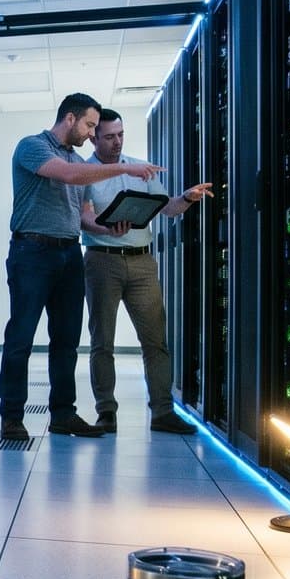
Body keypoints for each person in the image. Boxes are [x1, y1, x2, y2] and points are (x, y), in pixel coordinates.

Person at [0, 94, 160, 441]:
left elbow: (84, 216)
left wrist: (109, 226)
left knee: (67, 340)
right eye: (89, 125)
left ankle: (63, 414)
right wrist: (124, 167)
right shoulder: (32, 147)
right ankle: (12, 416)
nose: (91, 134)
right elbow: (68, 175)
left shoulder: (77, 161)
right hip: (31, 252)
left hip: (70, 253)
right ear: (69, 118)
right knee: (21, 337)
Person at [75, 109, 211, 435]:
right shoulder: (83, 173)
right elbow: (83, 218)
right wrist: (107, 229)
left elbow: (168, 208)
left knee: (155, 341)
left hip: (142, 262)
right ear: (94, 137)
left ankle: (163, 412)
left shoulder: (141, 169)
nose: (117, 142)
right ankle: (106, 412)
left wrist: (187, 198)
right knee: (102, 342)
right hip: (101, 260)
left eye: (120, 134)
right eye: (109, 136)